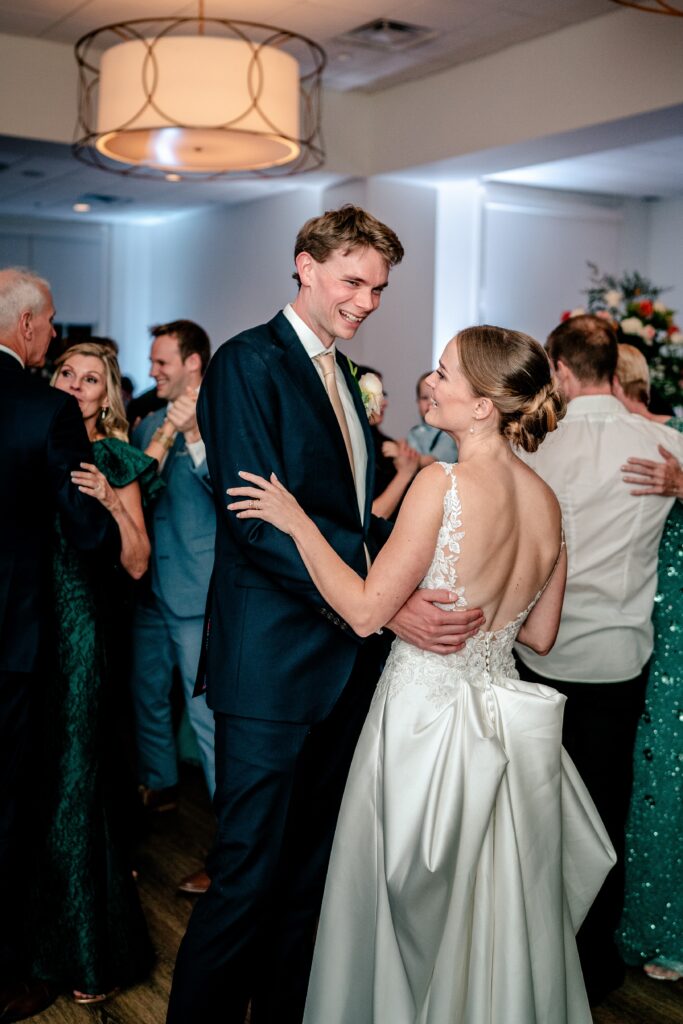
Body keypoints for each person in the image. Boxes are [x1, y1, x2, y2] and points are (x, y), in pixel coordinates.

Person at [228, 325, 615, 1024]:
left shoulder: (443, 482)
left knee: (395, 902)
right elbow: (541, 635)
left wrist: (296, 522)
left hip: (424, 716)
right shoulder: (547, 501)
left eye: (443, 375)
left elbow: (364, 611)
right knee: (484, 906)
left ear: (483, 407)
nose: (429, 384)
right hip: (502, 725)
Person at [166, 206, 485, 1024]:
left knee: (310, 876)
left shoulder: (344, 374)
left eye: (377, 287)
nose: (366, 301)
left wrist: (397, 572)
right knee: (246, 874)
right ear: (304, 266)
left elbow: (341, 521)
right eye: (352, 281)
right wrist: (374, 610)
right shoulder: (247, 362)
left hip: (342, 669)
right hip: (270, 665)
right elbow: (252, 523)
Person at [514, 315, 683, 1005]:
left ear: (557, 367)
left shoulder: (530, 447)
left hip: (539, 655)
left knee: (538, 811)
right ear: (613, 364)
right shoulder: (664, 443)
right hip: (617, 659)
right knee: (605, 808)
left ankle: (533, 946)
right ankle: (594, 964)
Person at [0, 269, 109, 1022]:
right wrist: (102, 507)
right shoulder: (43, 411)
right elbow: (87, 532)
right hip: (11, 640)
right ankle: (6, 974)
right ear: (32, 327)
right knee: (7, 805)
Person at [130, 320, 216, 891]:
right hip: (148, 589)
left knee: (207, 721)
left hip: (197, 589)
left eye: (163, 362)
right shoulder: (147, 424)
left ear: (193, 363)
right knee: (145, 699)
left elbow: (230, 498)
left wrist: (190, 438)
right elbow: (141, 490)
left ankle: (229, 848)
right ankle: (158, 791)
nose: (153, 371)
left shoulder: (220, 414)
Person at [612, 345, 683, 982]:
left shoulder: (674, 446)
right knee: (653, 764)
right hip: (652, 619)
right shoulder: (654, 437)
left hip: (676, 626)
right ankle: (646, 916)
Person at [356, 364, 420, 520]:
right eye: (375, 394)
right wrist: (405, 472)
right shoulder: (354, 446)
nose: (384, 402)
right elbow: (369, 518)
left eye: (383, 394)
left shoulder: (385, 443)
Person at [406, 369, 459, 463]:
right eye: (424, 398)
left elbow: (433, 463)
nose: (430, 402)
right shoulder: (413, 433)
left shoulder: (448, 434)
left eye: (435, 397)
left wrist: (401, 454)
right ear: (418, 402)